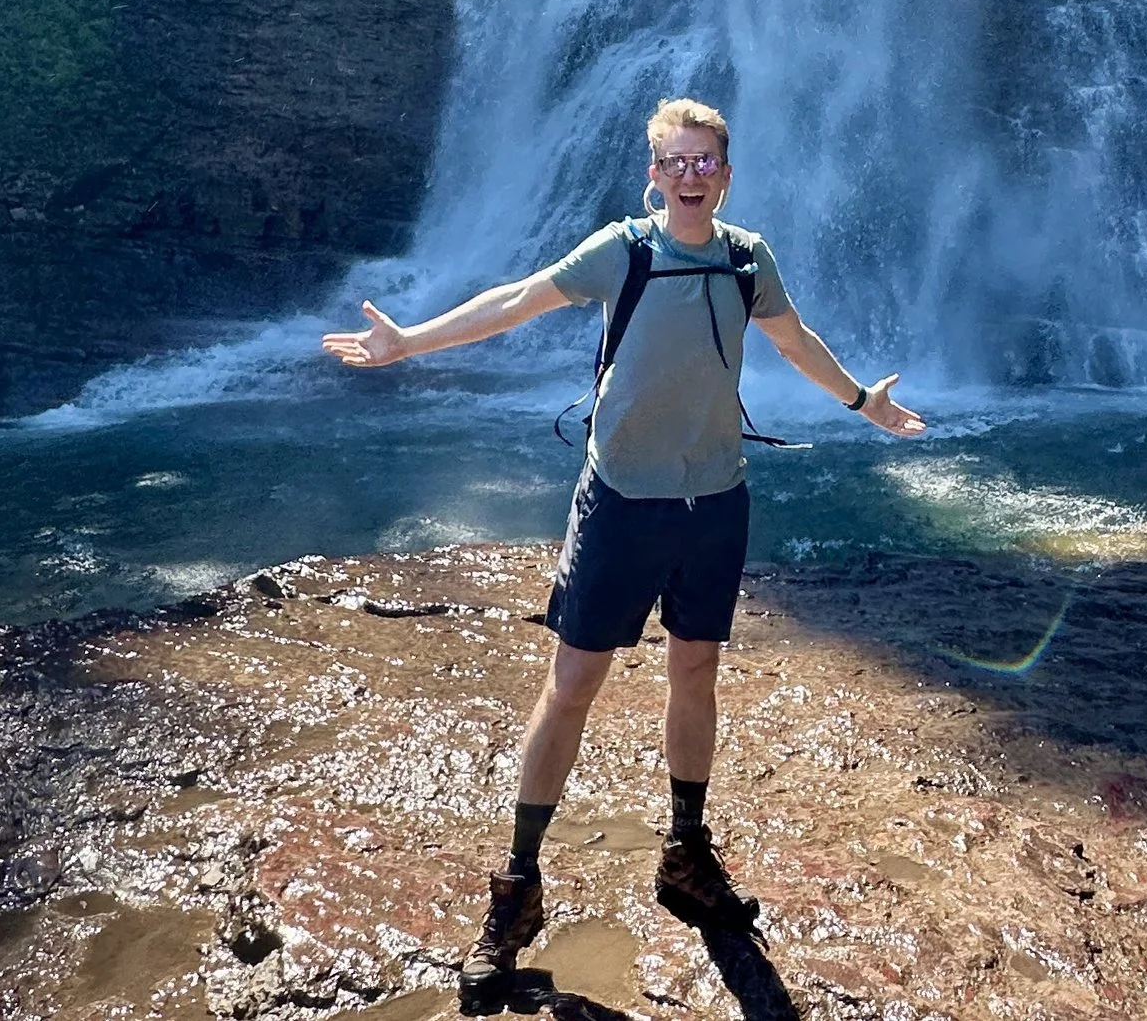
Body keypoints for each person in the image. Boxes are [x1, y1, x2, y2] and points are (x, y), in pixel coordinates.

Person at [325, 94, 924, 1004]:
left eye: (706, 163)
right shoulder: (624, 251)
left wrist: (861, 404)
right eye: (675, 162)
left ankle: (686, 856)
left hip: (715, 501)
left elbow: (792, 338)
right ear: (654, 174)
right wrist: (411, 342)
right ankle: (517, 889)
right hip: (622, 503)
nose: (691, 176)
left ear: (726, 174)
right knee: (571, 687)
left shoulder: (746, 256)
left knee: (697, 674)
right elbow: (519, 300)